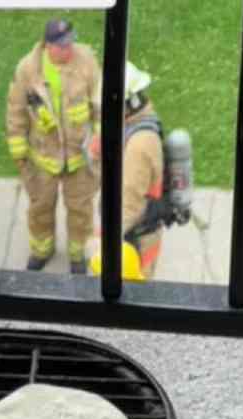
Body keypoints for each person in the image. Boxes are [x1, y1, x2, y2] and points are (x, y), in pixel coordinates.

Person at [6, 19, 102, 274]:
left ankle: (77, 255)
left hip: (80, 158)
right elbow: (16, 111)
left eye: (70, 43)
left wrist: (99, 137)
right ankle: (42, 250)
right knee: (40, 208)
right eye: (62, 46)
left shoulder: (87, 61)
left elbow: (100, 105)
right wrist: (19, 153)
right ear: (48, 46)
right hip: (43, 159)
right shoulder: (28, 69)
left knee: (81, 210)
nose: (68, 49)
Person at [91, 62, 165, 276]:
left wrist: (103, 243)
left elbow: (128, 206)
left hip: (133, 245)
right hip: (135, 235)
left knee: (131, 299)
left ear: (128, 102)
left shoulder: (139, 146)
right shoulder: (135, 122)